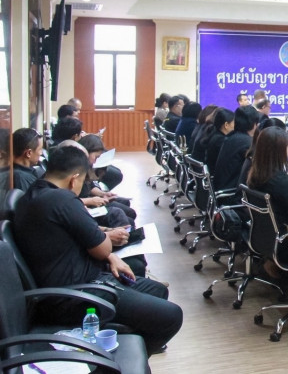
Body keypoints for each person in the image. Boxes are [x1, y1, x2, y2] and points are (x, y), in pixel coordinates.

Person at [13, 146, 183, 355]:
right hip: (75, 296)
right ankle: (123, 358)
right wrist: (108, 251)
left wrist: (111, 256)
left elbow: (83, 236)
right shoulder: (64, 200)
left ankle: (129, 344)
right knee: (172, 316)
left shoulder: (32, 195)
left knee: (158, 290)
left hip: (71, 285)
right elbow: (103, 248)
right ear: (74, 179)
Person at [246, 127, 288, 274]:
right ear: (279, 151)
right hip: (285, 243)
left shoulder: (257, 173)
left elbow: (285, 186)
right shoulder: (281, 181)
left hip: (263, 237)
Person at [214, 105, 259, 190]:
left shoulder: (230, 137)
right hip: (232, 192)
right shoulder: (248, 143)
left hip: (221, 188)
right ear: (254, 124)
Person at [7, 128, 43, 193]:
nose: (41, 153)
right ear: (28, 153)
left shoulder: (10, 172)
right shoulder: (21, 179)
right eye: (40, 149)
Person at [203, 108, 234, 173]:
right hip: (216, 174)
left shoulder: (214, 134)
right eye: (234, 123)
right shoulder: (221, 140)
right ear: (226, 125)